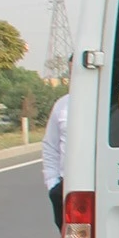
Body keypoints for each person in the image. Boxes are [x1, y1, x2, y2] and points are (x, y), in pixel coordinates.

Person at [42, 93, 70, 229]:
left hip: (109, 183)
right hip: (70, 189)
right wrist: (52, 183)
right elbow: (50, 146)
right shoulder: (63, 104)